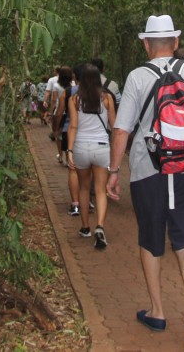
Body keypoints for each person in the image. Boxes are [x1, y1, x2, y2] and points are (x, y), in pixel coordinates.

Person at [106, 14, 184, 352]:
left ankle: (157, 312)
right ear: (175, 41)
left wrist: (113, 171)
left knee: (151, 241)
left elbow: (121, 130)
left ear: (146, 44)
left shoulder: (137, 77)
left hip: (148, 174)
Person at [67, 63, 117, 249]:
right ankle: (100, 226)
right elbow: (114, 126)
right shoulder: (107, 98)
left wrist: (69, 151)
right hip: (101, 147)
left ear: (81, 80)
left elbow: (73, 126)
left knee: (84, 188)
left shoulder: (74, 100)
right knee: (101, 189)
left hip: (81, 147)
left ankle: (85, 227)